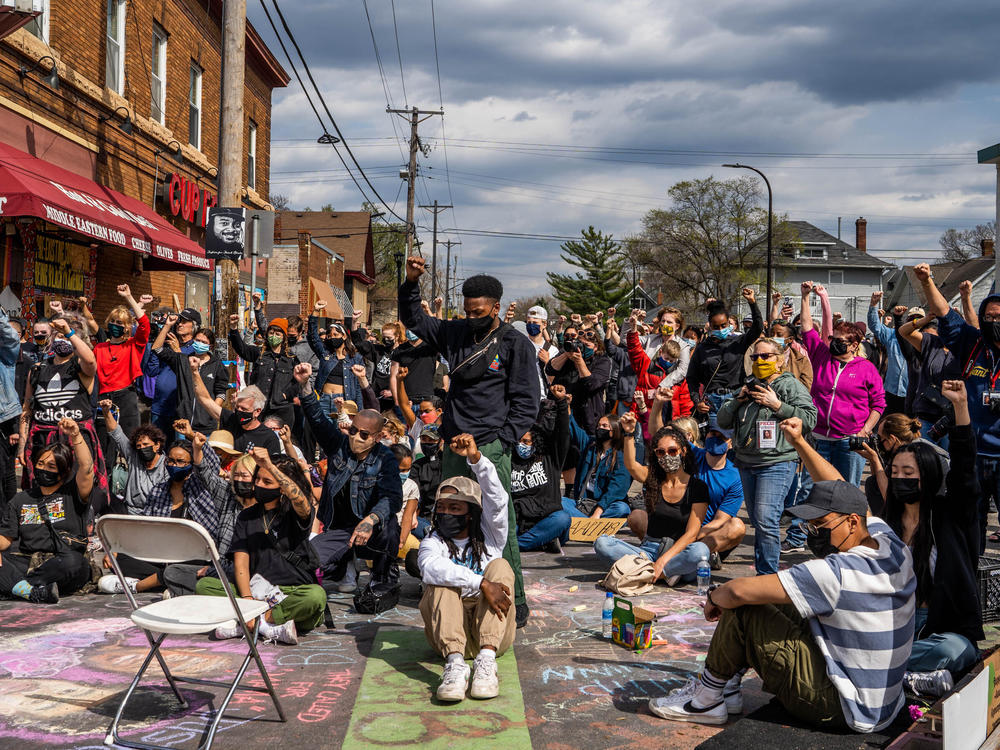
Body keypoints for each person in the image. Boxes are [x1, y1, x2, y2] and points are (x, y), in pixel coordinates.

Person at [648, 437, 916, 731]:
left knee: (744, 605)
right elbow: (843, 488)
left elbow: (736, 592)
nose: (815, 533)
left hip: (844, 708)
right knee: (776, 596)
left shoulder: (837, 572)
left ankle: (706, 700)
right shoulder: (889, 541)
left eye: (821, 525)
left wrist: (715, 596)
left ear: (852, 523)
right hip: (883, 702)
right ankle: (729, 687)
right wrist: (799, 441)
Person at [399, 258, 540, 628]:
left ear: (496, 307)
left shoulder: (515, 343)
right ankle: (459, 585)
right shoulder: (455, 333)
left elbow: (527, 400)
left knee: (498, 521)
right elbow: (415, 320)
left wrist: (503, 440)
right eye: (467, 311)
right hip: (454, 444)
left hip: (491, 444)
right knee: (449, 515)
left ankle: (515, 597)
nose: (472, 317)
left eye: (479, 312)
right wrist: (411, 282)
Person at [874, 380, 982, 696]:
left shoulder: (952, 515)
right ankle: (904, 676)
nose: (900, 479)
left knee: (955, 650)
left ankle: (878, 670)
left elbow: (964, 470)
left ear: (930, 474)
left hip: (941, 628)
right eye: (895, 473)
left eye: (909, 473)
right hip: (896, 624)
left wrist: (961, 408)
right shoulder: (888, 524)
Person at [418, 433, 515, 702]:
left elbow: (498, 501)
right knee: (440, 577)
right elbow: (429, 568)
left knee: (501, 565)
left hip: (492, 637)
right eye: (443, 508)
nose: (447, 513)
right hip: (449, 638)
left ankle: (485, 665)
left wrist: (476, 460)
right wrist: (481, 583)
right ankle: (456, 667)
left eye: (455, 507)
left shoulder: (491, 536)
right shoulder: (432, 541)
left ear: (471, 512)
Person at [292, 363, 403, 593]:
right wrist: (304, 386)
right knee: (304, 561)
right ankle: (343, 564)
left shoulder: (385, 459)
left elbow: (391, 498)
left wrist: (370, 520)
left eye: (364, 434)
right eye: (353, 430)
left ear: (377, 437)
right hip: (340, 528)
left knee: (390, 526)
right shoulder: (339, 445)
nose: (356, 437)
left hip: (370, 526)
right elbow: (318, 420)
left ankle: (382, 573)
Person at [197, 448, 325, 645]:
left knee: (315, 597)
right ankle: (268, 626)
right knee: (205, 586)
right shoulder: (246, 516)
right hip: (255, 592)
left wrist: (270, 466)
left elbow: (301, 501)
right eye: (257, 479)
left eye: (267, 481)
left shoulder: (294, 512)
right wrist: (247, 599)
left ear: (282, 486)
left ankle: (250, 623)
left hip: (291, 592)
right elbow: (241, 561)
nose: (258, 485)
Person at [717, 337, 818, 575]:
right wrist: (736, 401)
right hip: (746, 461)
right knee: (758, 520)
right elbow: (722, 421)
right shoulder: (749, 385)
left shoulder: (789, 385)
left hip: (777, 461)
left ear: (780, 359)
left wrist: (778, 405)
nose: (760, 360)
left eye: (766, 356)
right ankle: (765, 572)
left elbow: (810, 418)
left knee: (766, 519)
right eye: (755, 357)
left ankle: (768, 575)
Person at [97, 433, 224, 595]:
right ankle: (170, 584)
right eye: (170, 461)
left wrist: (194, 439)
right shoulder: (159, 490)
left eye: (180, 462)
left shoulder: (202, 488)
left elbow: (209, 466)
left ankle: (136, 586)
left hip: (194, 555)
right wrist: (118, 548)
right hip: (162, 555)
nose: (174, 465)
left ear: (191, 464)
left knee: (178, 569)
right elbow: (144, 525)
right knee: (118, 560)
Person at [594, 418, 712, 586]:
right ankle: (661, 574)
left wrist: (663, 561)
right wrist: (628, 434)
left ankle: (648, 572)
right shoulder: (653, 479)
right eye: (660, 452)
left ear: (683, 451)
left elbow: (692, 533)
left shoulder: (697, 487)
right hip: (648, 551)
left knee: (700, 551)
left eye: (672, 451)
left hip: (677, 553)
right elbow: (631, 466)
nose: (666, 456)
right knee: (602, 543)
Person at [799, 281, 885, 487]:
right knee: (812, 488)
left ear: (855, 345)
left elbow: (879, 404)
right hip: (819, 437)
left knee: (847, 489)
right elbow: (807, 328)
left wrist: (865, 430)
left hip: (849, 441)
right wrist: (804, 297)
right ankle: (805, 521)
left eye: (841, 341)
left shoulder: (866, 368)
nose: (835, 343)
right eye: (833, 338)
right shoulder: (822, 356)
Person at [0, 419, 95, 603]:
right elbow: (5, 539)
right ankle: (34, 592)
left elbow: (87, 468)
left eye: (51, 467)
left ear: (64, 471)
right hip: (29, 563)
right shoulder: (20, 500)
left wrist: (75, 435)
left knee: (75, 563)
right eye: (40, 464)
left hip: (63, 563)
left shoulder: (72, 493)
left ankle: (17, 586)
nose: (43, 469)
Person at [19, 312, 106, 494]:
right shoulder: (37, 369)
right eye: (58, 335)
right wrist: (22, 445)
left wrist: (69, 332)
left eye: (67, 336)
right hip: (42, 439)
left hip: (75, 438)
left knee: (76, 491)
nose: (63, 339)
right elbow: (27, 410)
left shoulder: (81, 367)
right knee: (41, 490)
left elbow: (90, 360)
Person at [92, 284, 149, 464]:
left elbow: (145, 325)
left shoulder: (133, 344)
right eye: (113, 321)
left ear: (127, 327)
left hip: (126, 397)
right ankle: (105, 487)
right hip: (103, 399)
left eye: (120, 323)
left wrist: (129, 297)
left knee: (132, 446)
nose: (115, 325)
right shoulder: (99, 348)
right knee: (104, 447)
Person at [512, 385, 572, 552]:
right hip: (519, 520)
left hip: (546, 518)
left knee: (563, 518)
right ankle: (541, 542)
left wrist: (561, 402)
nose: (521, 445)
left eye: (526, 442)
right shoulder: (509, 460)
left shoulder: (549, 457)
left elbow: (563, 434)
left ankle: (516, 545)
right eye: (519, 441)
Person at [687, 289, 763, 418]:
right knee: (715, 436)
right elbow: (692, 377)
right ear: (710, 325)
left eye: (724, 325)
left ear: (729, 323)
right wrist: (697, 401)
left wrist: (752, 302)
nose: (720, 329)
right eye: (716, 327)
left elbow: (758, 328)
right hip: (712, 401)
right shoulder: (702, 348)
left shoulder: (738, 342)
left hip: (736, 397)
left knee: (735, 437)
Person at [151, 319, 228, 437]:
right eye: (197, 340)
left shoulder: (217, 365)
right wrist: (167, 326)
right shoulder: (183, 360)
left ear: (210, 346)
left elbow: (221, 392)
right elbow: (157, 349)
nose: (200, 343)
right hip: (183, 423)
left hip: (206, 427)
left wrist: (212, 411)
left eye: (204, 342)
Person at [897, 309, 959, 448]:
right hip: (926, 416)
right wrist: (924, 320)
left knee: (950, 464)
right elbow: (903, 332)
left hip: (954, 418)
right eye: (944, 324)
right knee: (923, 461)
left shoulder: (965, 349)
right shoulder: (932, 344)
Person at [191, 362, 281, 455]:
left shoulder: (269, 437)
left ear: (257, 411)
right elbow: (205, 399)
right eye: (237, 407)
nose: (239, 411)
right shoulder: (231, 419)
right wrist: (195, 372)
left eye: (244, 409)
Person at [229, 311, 298, 427]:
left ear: (284, 337)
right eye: (271, 333)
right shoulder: (259, 353)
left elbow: (298, 382)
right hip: (259, 407)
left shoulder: (291, 359)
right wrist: (234, 329)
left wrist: (286, 394)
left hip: (281, 409)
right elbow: (242, 349)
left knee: (281, 441)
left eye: (278, 334)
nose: (274, 336)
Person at [100, 401, 168, 515]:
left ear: (157, 445)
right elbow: (116, 433)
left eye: (146, 445)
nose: (142, 448)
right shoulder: (133, 456)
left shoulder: (167, 465)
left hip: (156, 514)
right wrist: (106, 411)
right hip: (130, 511)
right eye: (139, 446)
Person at [562, 412, 633, 520]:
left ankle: (584, 520)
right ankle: (591, 521)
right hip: (584, 503)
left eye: (604, 426)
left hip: (607, 505)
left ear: (614, 430)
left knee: (622, 509)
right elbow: (574, 430)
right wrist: (566, 407)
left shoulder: (621, 455)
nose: (600, 428)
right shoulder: (590, 445)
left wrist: (598, 511)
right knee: (559, 502)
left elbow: (616, 488)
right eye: (599, 425)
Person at [546, 326, 612, 436]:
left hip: (587, 416)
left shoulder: (602, 360)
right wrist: (567, 354)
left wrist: (579, 361)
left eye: (586, 345)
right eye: (581, 344)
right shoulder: (567, 351)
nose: (582, 348)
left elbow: (592, 384)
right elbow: (550, 369)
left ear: (595, 347)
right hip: (561, 410)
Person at [145, 307, 200, 435]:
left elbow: (190, 374)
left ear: (194, 326)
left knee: (177, 451)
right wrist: (167, 326)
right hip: (159, 407)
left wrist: (178, 352)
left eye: (185, 321)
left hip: (179, 411)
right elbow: (151, 370)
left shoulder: (196, 349)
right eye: (179, 321)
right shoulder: (167, 344)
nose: (180, 324)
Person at [308, 302, 364, 417]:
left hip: (344, 401)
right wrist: (315, 312)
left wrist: (359, 410)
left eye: (335, 335)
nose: (332, 338)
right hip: (323, 398)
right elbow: (313, 337)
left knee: (341, 431)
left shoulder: (355, 358)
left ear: (344, 336)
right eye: (329, 336)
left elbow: (358, 386)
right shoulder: (325, 354)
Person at [867, 292, 908, 415]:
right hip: (890, 391)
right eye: (911, 319)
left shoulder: (923, 340)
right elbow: (875, 327)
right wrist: (873, 304)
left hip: (912, 394)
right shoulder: (892, 335)